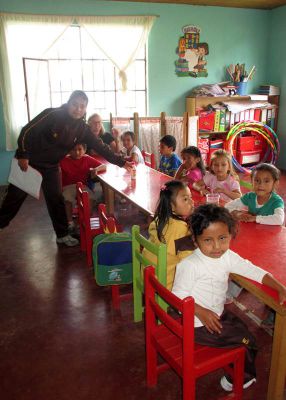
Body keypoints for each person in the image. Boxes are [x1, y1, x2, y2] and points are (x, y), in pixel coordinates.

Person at [172, 204, 286, 392]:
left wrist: (278, 286)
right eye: (208, 240)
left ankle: (234, 366)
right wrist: (200, 312)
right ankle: (239, 378)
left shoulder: (227, 256)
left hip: (217, 314)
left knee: (242, 328)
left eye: (223, 238)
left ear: (230, 235)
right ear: (195, 240)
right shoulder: (190, 265)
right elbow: (178, 297)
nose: (217, 247)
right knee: (249, 342)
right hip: (198, 325)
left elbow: (251, 269)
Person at [0, 90, 131, 246]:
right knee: (14, 198)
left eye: (82, 106)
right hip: (30, 163)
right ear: (68, 103)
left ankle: (62, 235)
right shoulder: (52, 114)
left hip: (51, 167)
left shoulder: (82, 129)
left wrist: (122, 162)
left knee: (56, 199)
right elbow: (27, 131)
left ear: (85, 109)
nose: (78, 109)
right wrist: (22, 154)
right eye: (75, 105)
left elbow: (101, 147)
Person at [144, 180, 195, 289]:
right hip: (165, 286)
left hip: (149, 281)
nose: (192, 202)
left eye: (190, 197)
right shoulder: (180, 228)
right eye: (185, 199)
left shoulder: (159, 220)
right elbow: (188, 260)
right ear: (171, 206)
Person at [60, 142, 106, 233]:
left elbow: (103, 166)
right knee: (67, 199)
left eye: (80, 149)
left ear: (84, 150)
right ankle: (70, 223)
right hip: (68, 186)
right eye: (74, 150)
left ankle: (85, 221)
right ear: (69, 151)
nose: (77, 152)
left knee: (91, 199)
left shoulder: (87, 158)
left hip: (83, 185)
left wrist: (96, 169)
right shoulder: (63, 160)